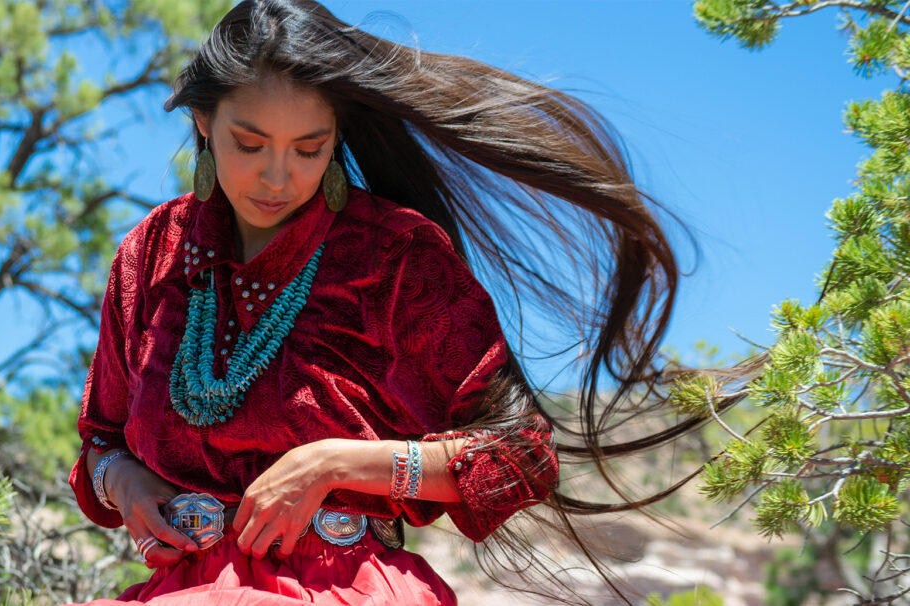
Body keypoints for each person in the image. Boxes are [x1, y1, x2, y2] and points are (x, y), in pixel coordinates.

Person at [67, 1, 716, 604]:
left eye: (308, 148)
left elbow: (522, 457)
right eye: (252, 143)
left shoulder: (395, 256)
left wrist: (336, 463)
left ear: (338, 134)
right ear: (204, 121)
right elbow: (101, 439)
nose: (277, 175)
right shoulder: (151, 253)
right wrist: (120, 482)